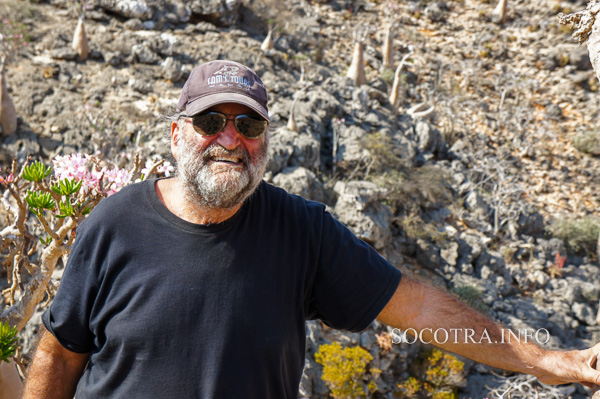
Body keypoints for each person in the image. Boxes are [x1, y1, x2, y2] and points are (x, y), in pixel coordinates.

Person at [23, 60, 600, 398]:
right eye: (211, 122)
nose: (231, 139)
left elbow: (422, 311)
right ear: (177, 134)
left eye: (249, 124)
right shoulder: (114, 223)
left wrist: (554, 362)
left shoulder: (302, 232)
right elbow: (61, 353)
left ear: (265, 142)